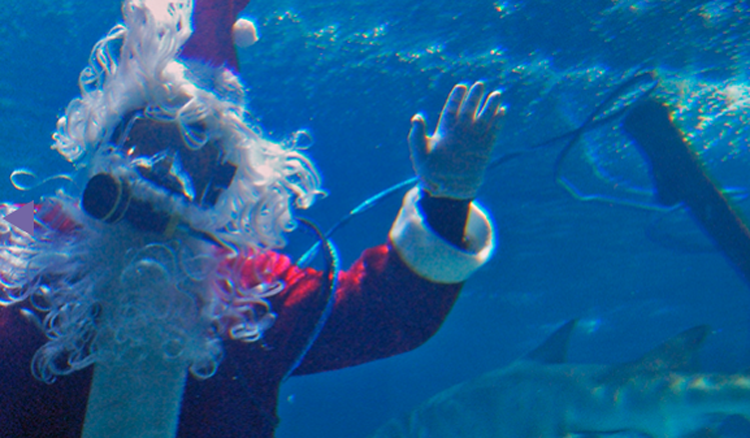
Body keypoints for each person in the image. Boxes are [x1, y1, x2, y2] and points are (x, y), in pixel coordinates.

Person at [0, 0, 502, 437]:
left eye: (193, 156)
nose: (162, 171)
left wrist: (446, 201)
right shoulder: (27, 236)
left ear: (223, 184)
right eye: (147, 142)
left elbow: (384, 314)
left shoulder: (255, 291)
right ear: (109, 145)